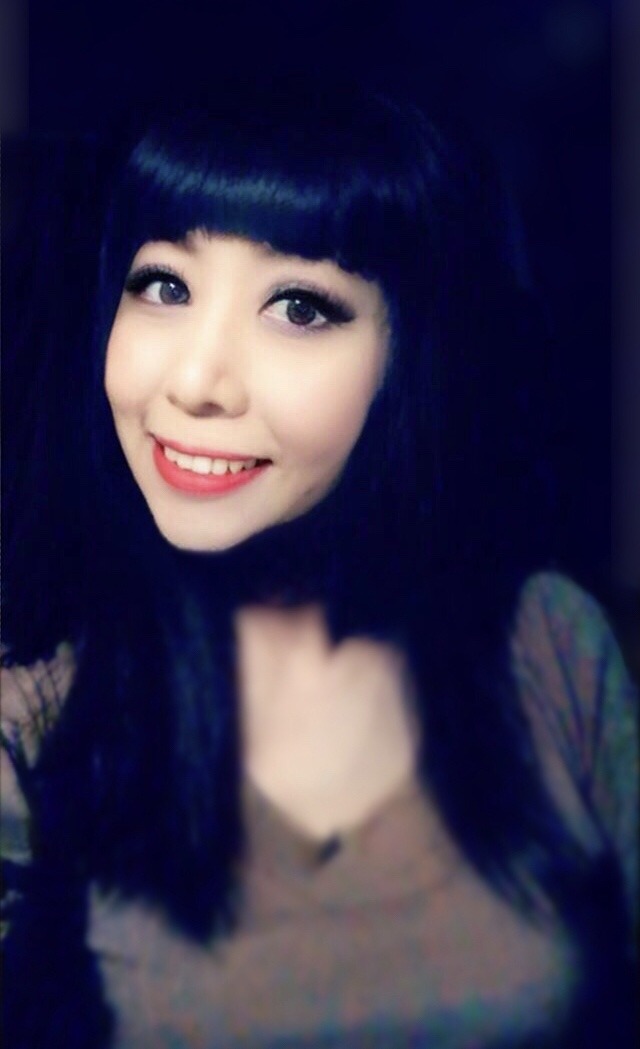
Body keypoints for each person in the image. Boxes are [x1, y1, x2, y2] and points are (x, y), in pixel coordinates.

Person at [1, 76, 637, 1048]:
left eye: (298, 306)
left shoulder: (549, 640)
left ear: (409, 358)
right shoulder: (39, 697)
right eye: (164, 285)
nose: (196, 380)